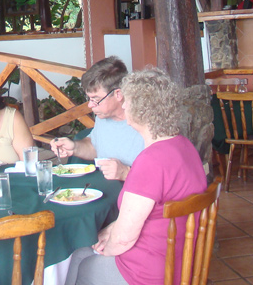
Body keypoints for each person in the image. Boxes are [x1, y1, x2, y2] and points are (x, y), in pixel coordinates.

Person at [63, 68, 207, 285]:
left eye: (127, 102)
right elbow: (145, 215)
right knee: (83, 251)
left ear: (141, 111)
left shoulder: (150, 161)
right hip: (181, 261)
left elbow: (123, 240)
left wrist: (108, 246)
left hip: (149, 272)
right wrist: (110, 230)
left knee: (78, 264)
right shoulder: (183, 146)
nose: (124, 105)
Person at [50, 56, 144, 181]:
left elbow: (163, 174)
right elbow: (95, 146)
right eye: (89, 99)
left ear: (118, 94)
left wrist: (126, 173)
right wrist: (74, 147)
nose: (90, 105)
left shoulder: (146, 122)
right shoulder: (103, 116)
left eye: (96, 99)